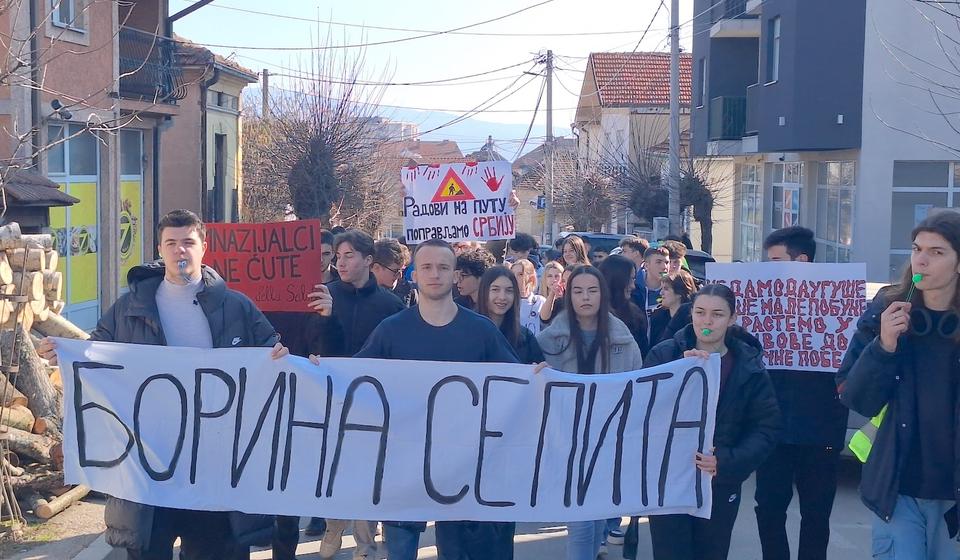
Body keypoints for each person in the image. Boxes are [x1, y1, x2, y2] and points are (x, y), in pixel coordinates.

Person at [38, 209, 290, 560]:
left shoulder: (236, 307)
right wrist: (63, 354)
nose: (179, 251)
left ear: (204, 247)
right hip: (149, 467)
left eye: (188, 242)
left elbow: (271, 356)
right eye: (171, 243)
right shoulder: (129, 308)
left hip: (213, 468)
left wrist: (283, 357)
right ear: (160, 249)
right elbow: (95, 354)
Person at [312, 238, 520, 560]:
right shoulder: (391, 331)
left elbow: (516, 385)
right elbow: (354, 378)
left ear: (455, 276)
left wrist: (541, 378)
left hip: (462, 470)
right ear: (413, 275)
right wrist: (311, 370)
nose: (434, 274)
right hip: (403, 465)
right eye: (426, 267)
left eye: (443, 267)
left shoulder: (481, 332)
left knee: (457, 554)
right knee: (401, 553)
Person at [837, 211, 960, 559]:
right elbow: (855, 397)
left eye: (937, 252)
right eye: (917, 248)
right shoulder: (886, 310)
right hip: (898, 488)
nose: (922, 258)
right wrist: (884, 346)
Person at [638, 284, 780, 560]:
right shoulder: (665, 355)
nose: (707, 321)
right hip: (668, 482)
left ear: (732, 318)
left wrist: (727, 461)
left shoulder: (748, 365)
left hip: (719, 484)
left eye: (717, 314)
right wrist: (677, 372)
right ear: (691, 314)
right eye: (701, 312)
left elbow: (766, 428)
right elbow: (641, 408)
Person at [536, 265, 644, 560]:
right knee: (582, 521)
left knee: (597, 516)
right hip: (567, 443)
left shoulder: (623, 339)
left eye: (592, 290)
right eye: (578, 291)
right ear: (568, 296)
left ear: (603, 295)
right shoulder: (549, 341)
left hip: (609, 442)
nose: (585, 297)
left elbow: (640, 386)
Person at [754, 227, 848, 560]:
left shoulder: (838, 311)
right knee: (768, 511)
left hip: (821, 431)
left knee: (816, 517)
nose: (769, 268)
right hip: (773, 432)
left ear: (802, 261)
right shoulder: (762, 310)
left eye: (776, 260)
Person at [309, 230, 404, 558]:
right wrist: (326, 318)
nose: (340, 261)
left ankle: (365, 545)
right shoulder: (325, 294)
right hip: (331, 401)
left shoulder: (391, 305)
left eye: (349, 255)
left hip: (373, 406)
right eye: (338, 255)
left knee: (369, 475)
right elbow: (315, 350)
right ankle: (334, 524)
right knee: (335, 471)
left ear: (368, 260)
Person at [478, 266, 545, 364]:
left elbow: (540, 367)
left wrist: (541, 370)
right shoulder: (467, 333)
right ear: (484, 291)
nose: (502, 297)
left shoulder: (525, 337)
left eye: (509, 291)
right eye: (495, 289)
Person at [598, 254, 649, 356]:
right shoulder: (591, 314)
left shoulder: (636, 315)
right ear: (616, 280)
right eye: (630, 280)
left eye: (634, 280)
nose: (633, 286)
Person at [648, 271, 696, 346]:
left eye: (666, 289)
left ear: (680, 292)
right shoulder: (657, 317)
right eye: (662, 288)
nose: (661, 293)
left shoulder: (693, 320)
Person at [510, 258, 546, 335]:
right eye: (513, 274)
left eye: (520, 274)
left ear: (531, 278)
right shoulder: (508, 301)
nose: (515, 278)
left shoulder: (540, 302)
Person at [633, 246, 669, 316]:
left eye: (667, 263)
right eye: (658, 262)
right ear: (646, 265)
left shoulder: (672, 290)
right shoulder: (633, 287)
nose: (664, 267)